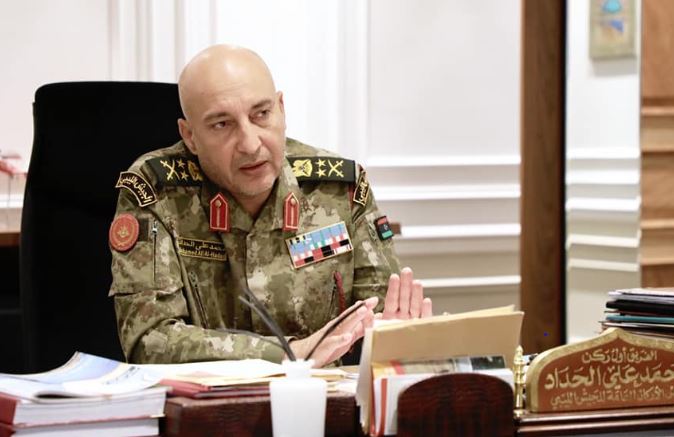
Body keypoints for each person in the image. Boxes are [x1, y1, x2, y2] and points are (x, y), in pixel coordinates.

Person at [108, 44, 432, 367]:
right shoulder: (157, 192)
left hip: (321, 394)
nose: (250, 144)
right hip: (211, 399)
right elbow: (150, 340)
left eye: (261, 114)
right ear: (190, 136)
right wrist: (291, 353)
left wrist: (392, 334)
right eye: (222, 124)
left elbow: (379, 314)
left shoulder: (339, 189)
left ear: (281, 109)